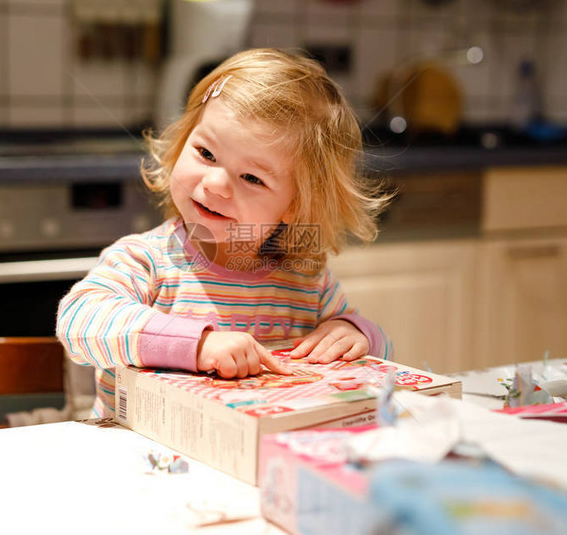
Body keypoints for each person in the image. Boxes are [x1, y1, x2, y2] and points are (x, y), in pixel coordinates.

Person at [56, 48, 393, 416]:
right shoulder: (148, 260)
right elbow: (78, 321)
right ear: (183, 141)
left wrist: (358, 334)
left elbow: (382, 358)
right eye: (206, 152)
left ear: (296, 205)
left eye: (251, 177)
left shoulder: (304, 275)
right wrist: (199, 346)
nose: (216, 183)